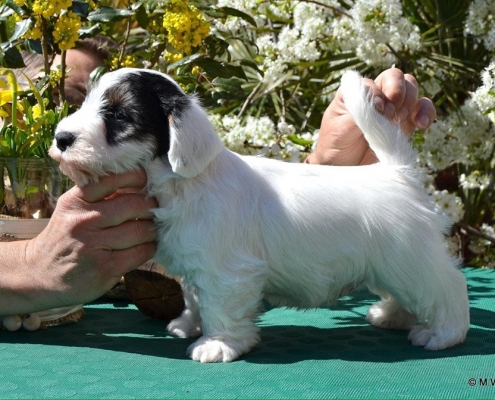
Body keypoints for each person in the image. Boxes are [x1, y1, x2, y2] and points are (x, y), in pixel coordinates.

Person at [0, 68, 436, 316]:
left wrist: (224, 330)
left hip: (373, 196)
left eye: (117, 119)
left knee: (411, 264)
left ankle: (445, 312)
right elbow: (198, 265)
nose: (73, 127)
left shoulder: (205, 183)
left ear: (177, 134)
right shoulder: (187, 191)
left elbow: (224, 267)